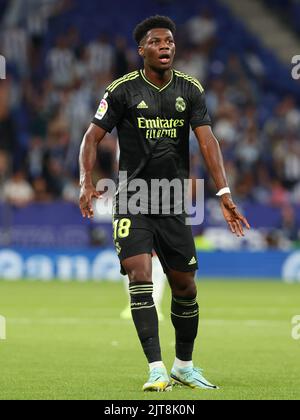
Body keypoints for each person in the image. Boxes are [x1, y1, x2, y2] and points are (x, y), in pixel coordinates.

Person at [79, 15, 250, 392]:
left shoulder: (189, 90)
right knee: (140, 274)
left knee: (185, 286)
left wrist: (223, 193)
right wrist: (84, 181)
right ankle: (156, 369)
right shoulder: (122, 91)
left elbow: (208, 142)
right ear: (142, 50)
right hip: (133, 198)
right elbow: (91, 137)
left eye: (170, 41)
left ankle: (183, 366)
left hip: (172, 201)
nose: (166, 47)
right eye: (157, 42)